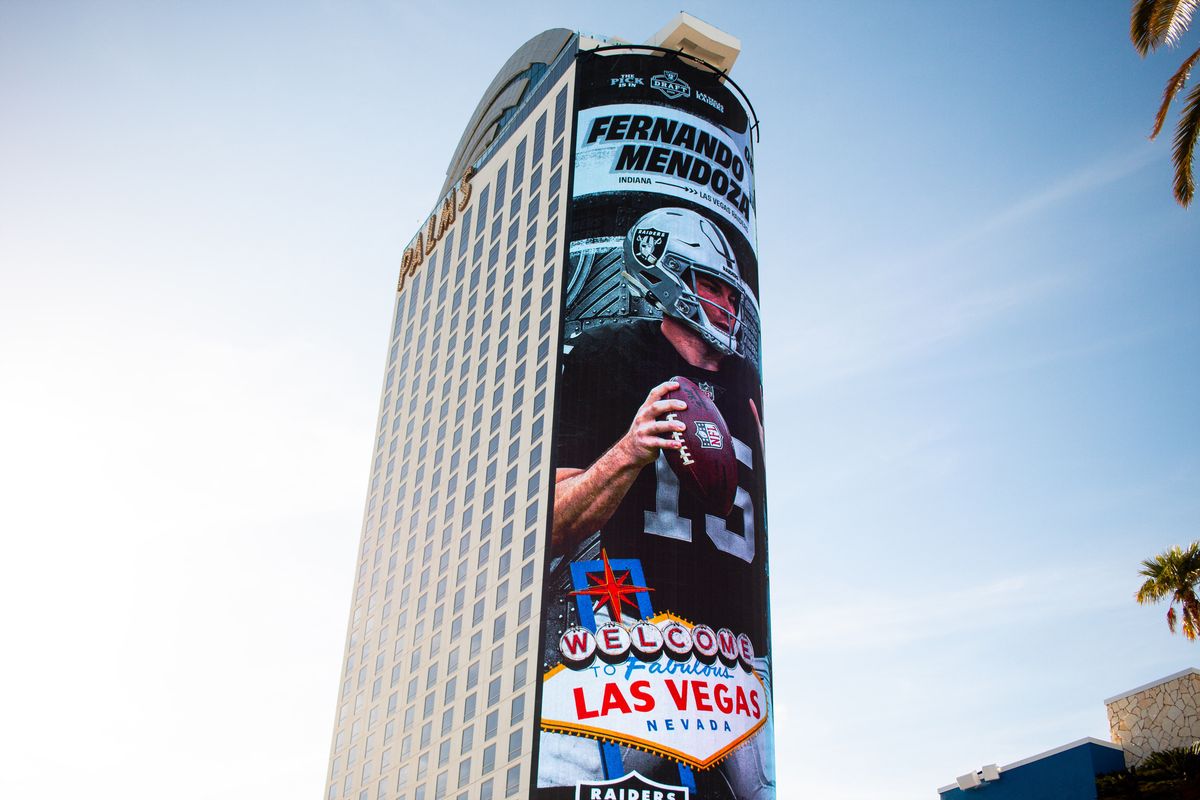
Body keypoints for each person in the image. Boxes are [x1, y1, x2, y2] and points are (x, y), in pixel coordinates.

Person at [545, 207, 773, 799]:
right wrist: (628, 451)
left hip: (740, 662)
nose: (727, 304)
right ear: (668, 276)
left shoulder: (749, 383)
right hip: (635, 642)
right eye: (711, 285)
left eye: (731, 289)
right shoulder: (609, 354)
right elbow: (550, 526)